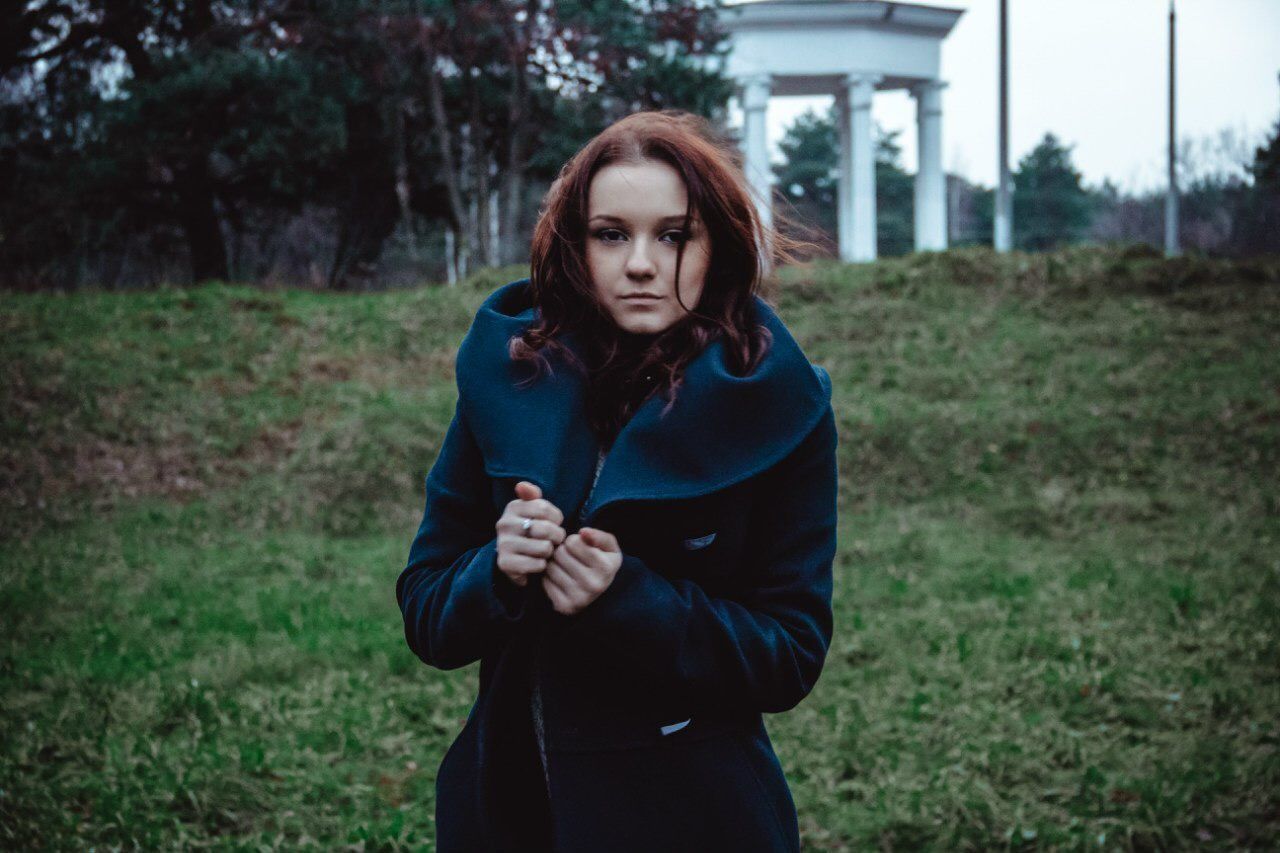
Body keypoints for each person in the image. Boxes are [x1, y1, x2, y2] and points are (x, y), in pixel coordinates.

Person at [396, 109, 838, 852]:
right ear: (576, 245)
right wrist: (495, 571)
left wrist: (629, 599)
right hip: (512, 808)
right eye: (611, 233)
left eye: (673, 235)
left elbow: (790, 652)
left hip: (692, 819)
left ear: (716, 245)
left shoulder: (780, 402)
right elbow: (426, 613)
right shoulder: (509, 376)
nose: (640, 263)